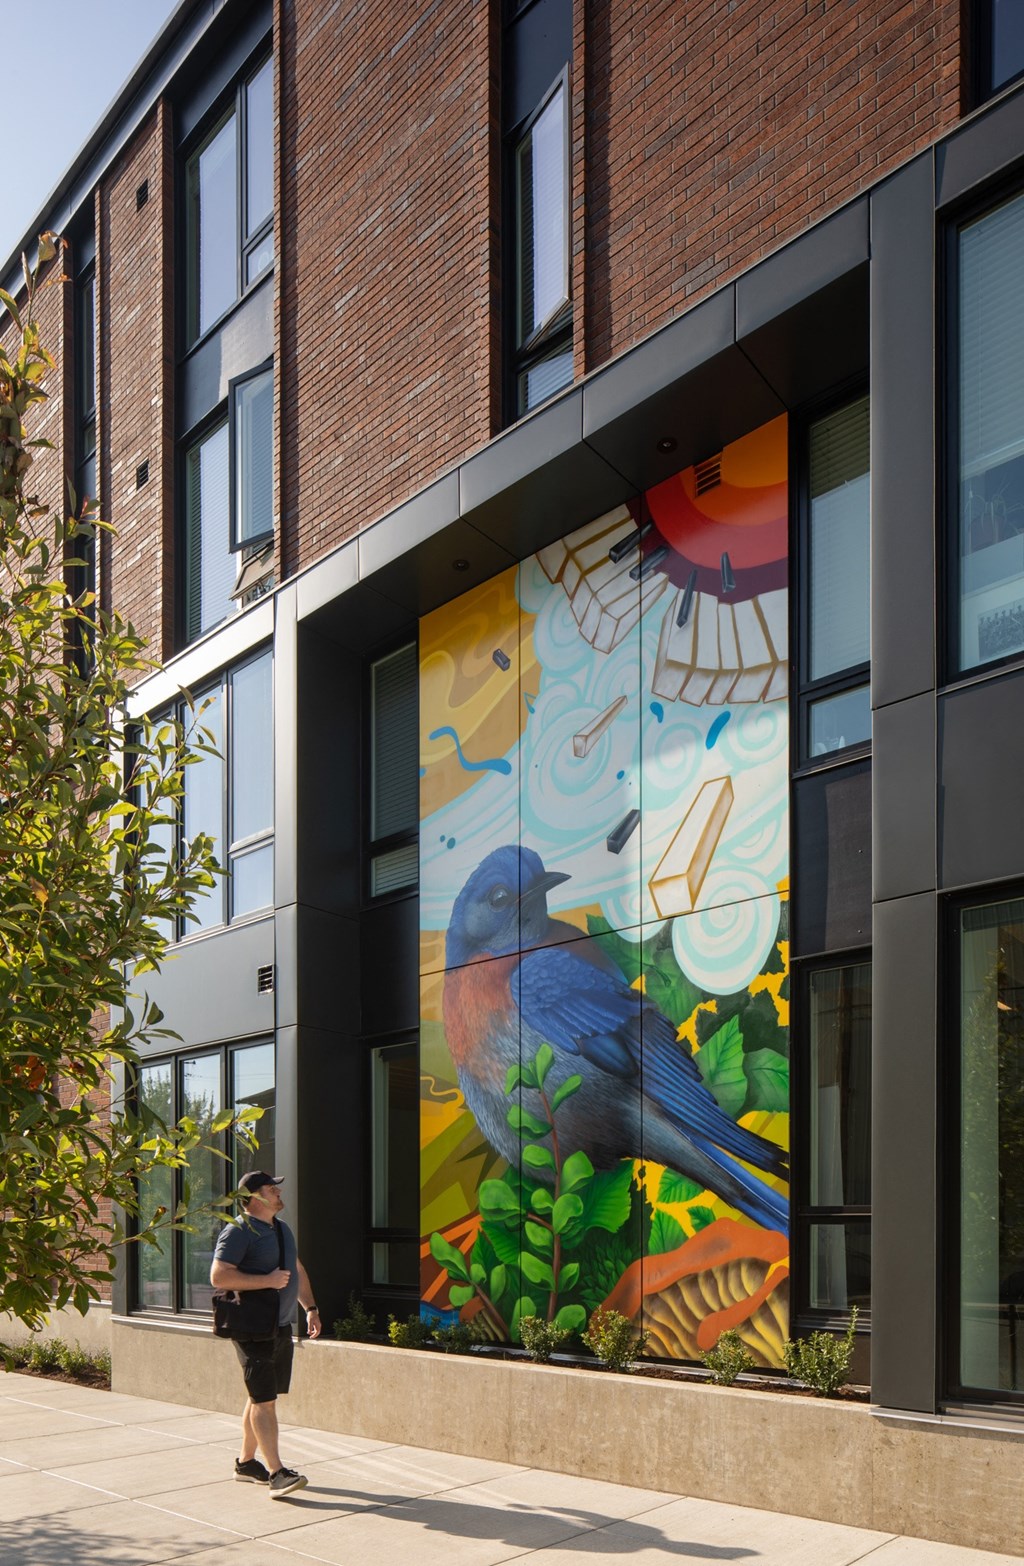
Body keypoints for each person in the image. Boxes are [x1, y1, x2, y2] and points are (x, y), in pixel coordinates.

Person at [210, 1170, 321, 1497]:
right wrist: (267, 1281)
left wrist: (310, 1308)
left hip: (279, 1325)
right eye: (272, 1188)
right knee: (265, 1401)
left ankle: (246, 1464)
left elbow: (296, 1269)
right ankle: (276, 1473)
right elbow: (219, 1276)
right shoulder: (238, 1231)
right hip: (251, 1327)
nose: (278, 1192)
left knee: (260, 1397)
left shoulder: (282, 1229)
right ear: (254, 1197)